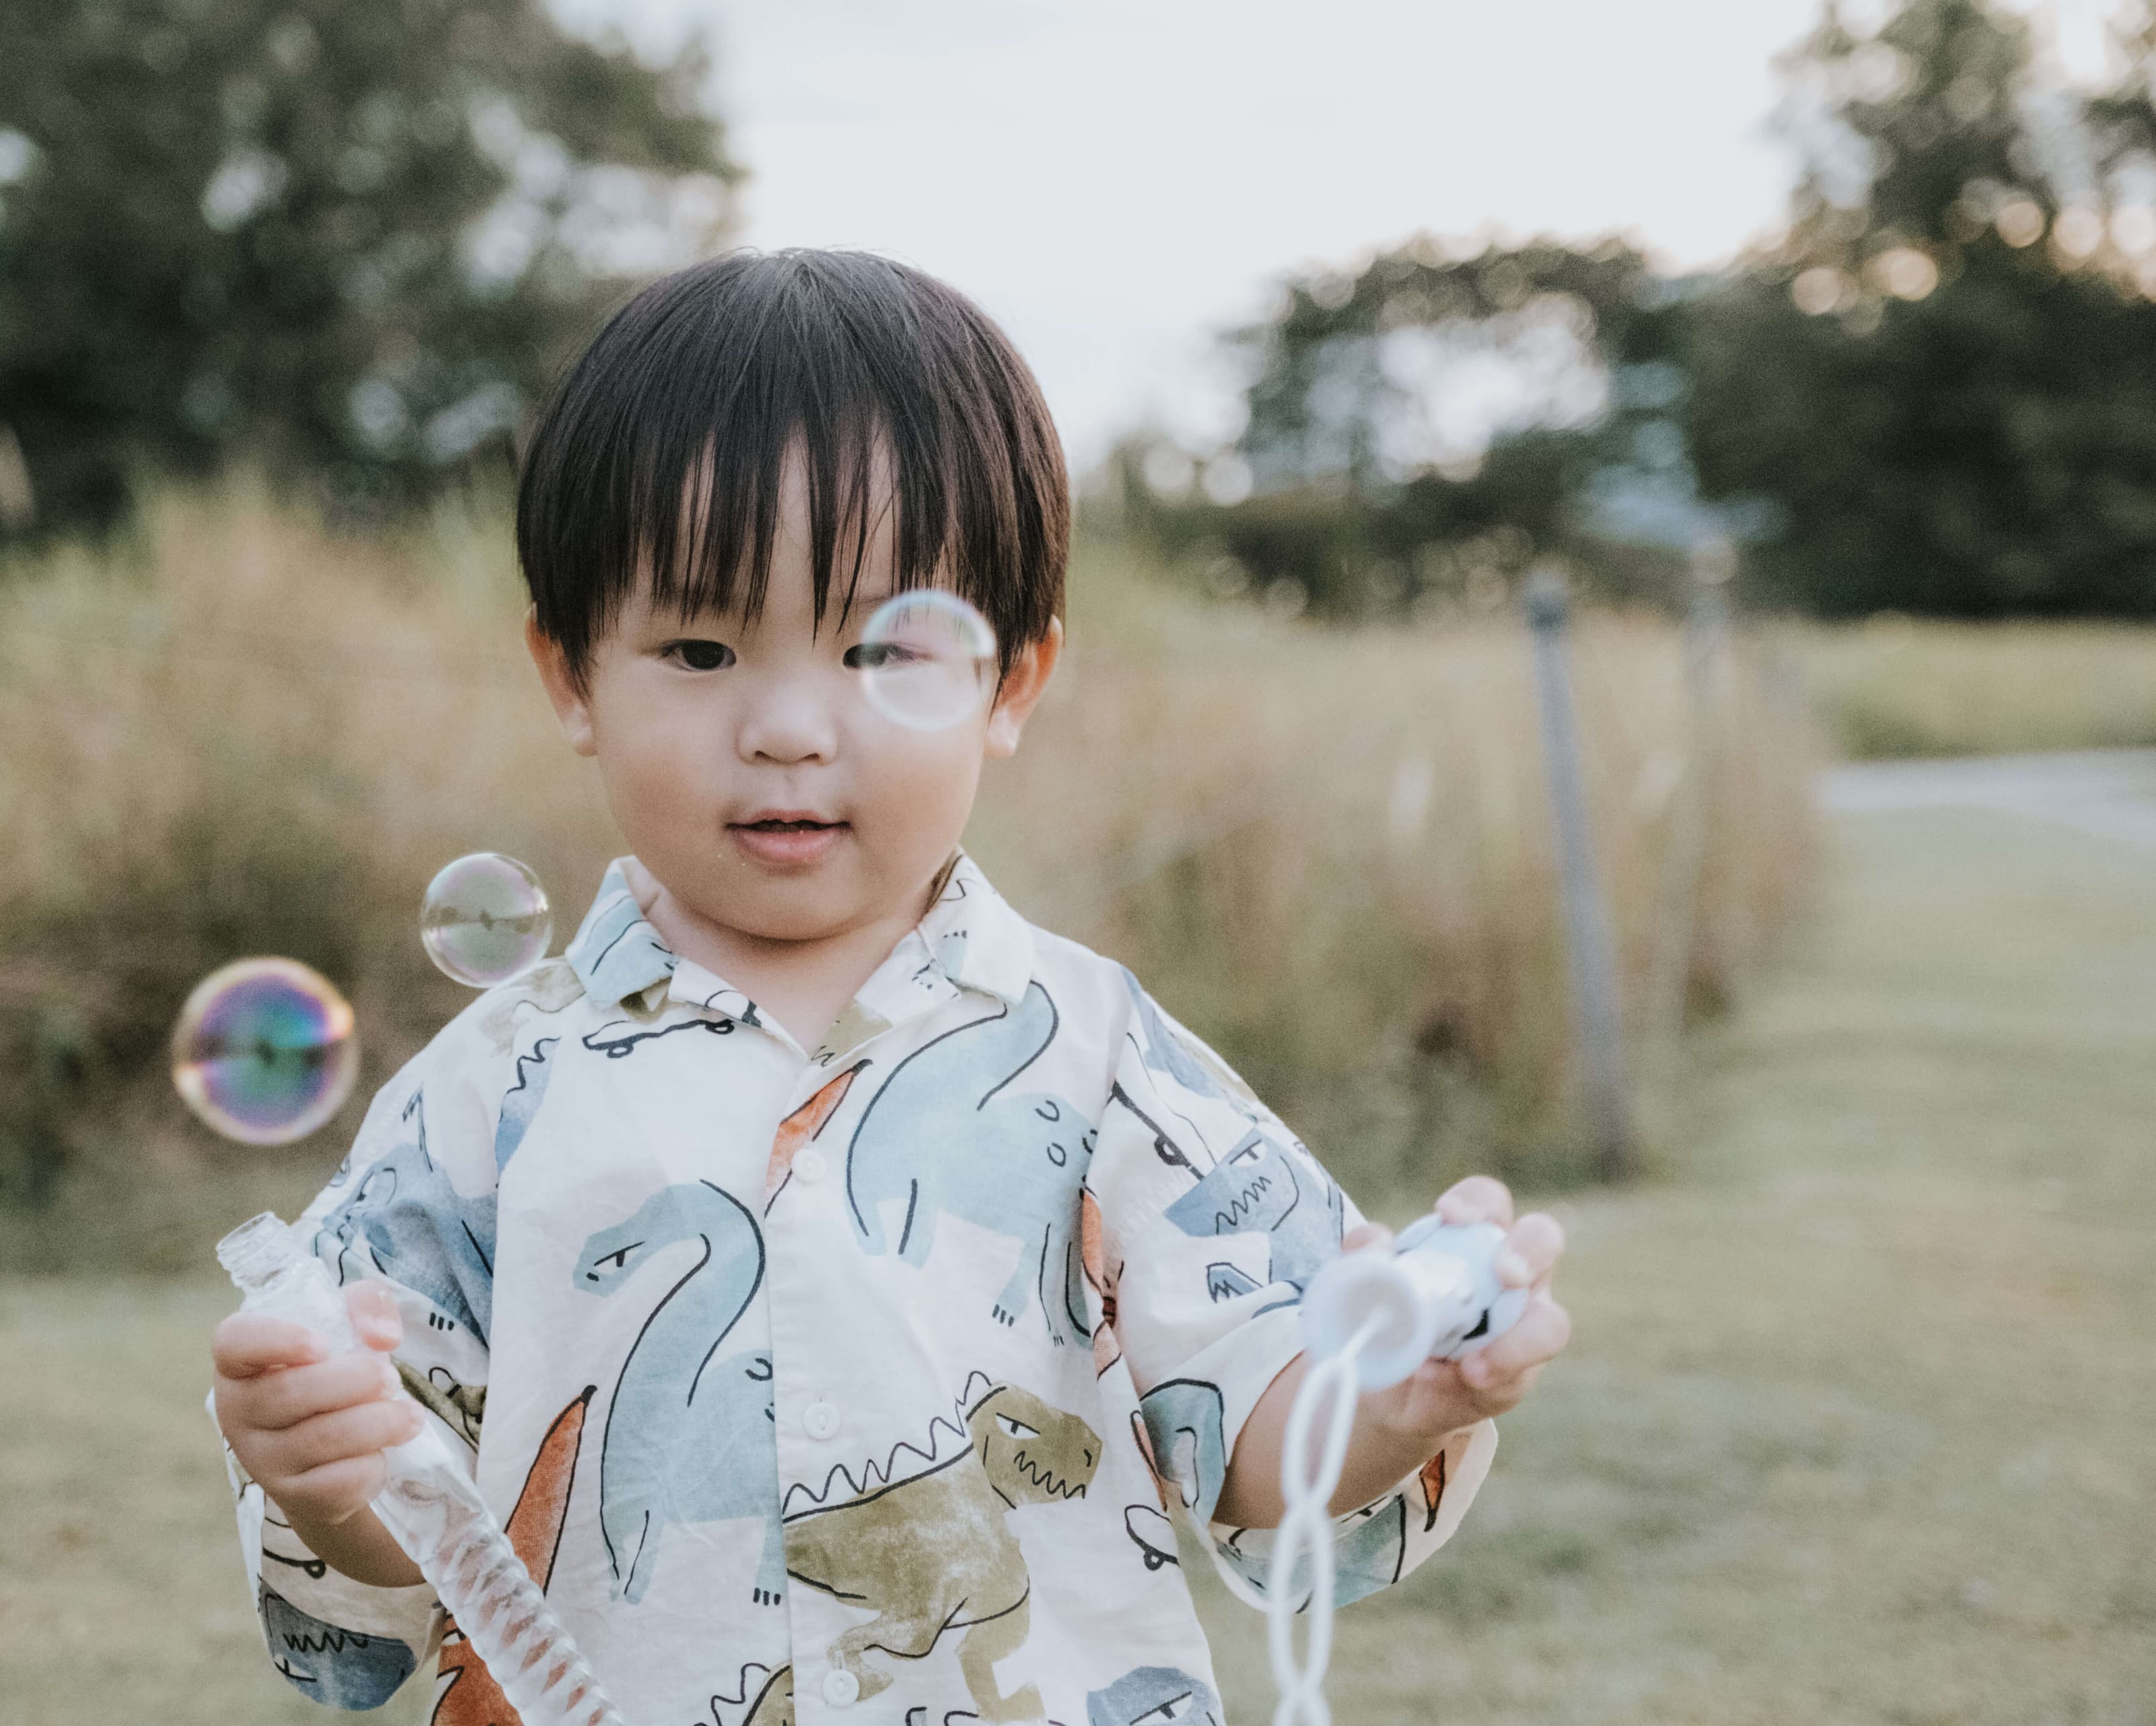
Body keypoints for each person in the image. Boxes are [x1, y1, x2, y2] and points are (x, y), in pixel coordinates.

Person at [208, 249, 1571, 1725]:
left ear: (1012, 683)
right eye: (702, 645)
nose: (790, 725)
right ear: (571, 675)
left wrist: (1389, 1400)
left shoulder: (1102, 1058)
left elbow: (1250, 1431)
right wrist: (322, 1463)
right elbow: (405, 1555)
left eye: (883, 647)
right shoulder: (482, 1105)